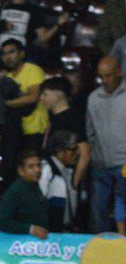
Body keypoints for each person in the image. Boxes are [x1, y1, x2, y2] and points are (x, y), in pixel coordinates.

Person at [86, 57, 126, 234]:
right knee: (98, 212)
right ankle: (101, 248)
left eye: (108, 76)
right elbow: (90, 131)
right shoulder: (94, 98)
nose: (104, 81)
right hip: (100, 164)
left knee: (122, 210)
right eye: (101, 76)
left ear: (119, 71)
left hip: (124, 163)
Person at [0, 38, 48, 154]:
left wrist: (5, 104)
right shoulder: (7, 77)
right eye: (4, 54)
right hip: (16, 132)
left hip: (36, 130)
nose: (8, 57)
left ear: (22, 54)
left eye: (11, 52)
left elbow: (33, 97)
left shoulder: (32, 70)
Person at [40, 76, 89, 189]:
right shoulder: (54, 118)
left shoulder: (72, 119)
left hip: (65, 180)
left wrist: (74, 184)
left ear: (58, 95)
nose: (41, 98)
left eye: (45, 94)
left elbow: (85, 154)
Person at [0, 150, 49, 238]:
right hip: (17, 245)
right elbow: (1, 222)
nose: (37, 170)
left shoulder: (34, 185)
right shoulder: (16, 190)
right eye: (31, 167)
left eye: (39, 165)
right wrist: (30, 229)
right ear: (21, 171)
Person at [39, 131, 80, 233]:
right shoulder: (47, 170)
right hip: (49, 233)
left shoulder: (66, 170)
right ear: (60, 152)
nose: (77, 154)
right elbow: (38, 203)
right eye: (73, 150)